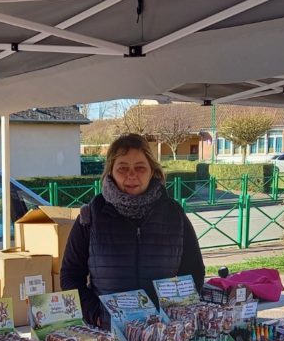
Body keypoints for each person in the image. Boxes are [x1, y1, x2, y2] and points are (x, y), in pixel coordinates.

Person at [60, 134, 205, 327]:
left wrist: (177, 312)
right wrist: (95, 314)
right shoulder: (91, 217)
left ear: (152, 170)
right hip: (108, 333)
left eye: (140, 167)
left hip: (162, 332)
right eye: (123, 168)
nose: (131, 175)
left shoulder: (174, 214)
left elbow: (194, 270)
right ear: (110, 171)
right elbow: (70, 275)